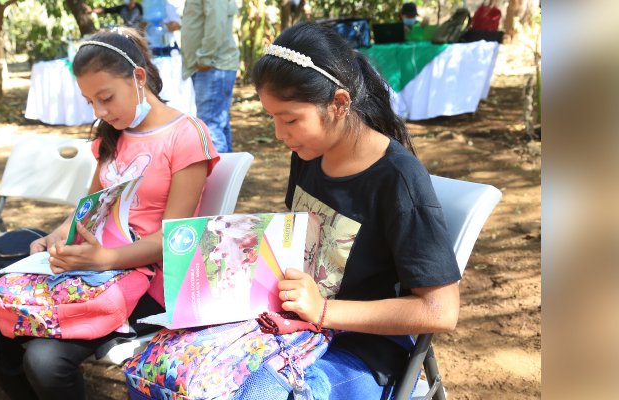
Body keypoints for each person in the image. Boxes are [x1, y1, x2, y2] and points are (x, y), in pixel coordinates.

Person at [129, 22, 462, 399]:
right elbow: (296, 245)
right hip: (293, 323)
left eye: (289, 119)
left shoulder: (398, 181)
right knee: (158, 367)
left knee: (254, 393)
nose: (279, 133)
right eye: (272, 117)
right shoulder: (309, 155)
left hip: (362, 349)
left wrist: (322, 311)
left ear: (339, 103)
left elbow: (440, 310)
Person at [0, 27, 220, 400]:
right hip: (95, 269)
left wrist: (106, 259)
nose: (100, 112)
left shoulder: (186, 135)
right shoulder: (114, 136)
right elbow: (89, 210)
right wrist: (55, 236)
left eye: (106, 98)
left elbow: (176, 240)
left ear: (138, 78)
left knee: (45, 359)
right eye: (90, 103)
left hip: (152, 281)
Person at [180, 0, 239, 153]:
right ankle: (229, 176)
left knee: (210, 128)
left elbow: (216, 22)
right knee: (218, 124)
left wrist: (205, 57)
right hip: (208, 66)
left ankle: (219, 177)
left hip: (212, 65)